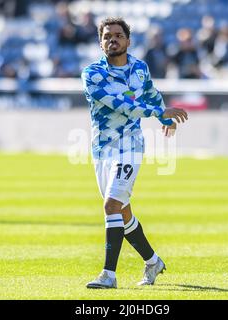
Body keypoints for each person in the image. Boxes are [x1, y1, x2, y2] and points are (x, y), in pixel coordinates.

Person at [81, 17, 188, 289]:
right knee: (122, 211)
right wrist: (159, 113)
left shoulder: (140, 69)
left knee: (111, 205)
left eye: (118, 35)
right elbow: (120, 104)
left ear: (128, 41)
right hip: (102, 149)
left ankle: (108, 275)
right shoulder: (92, 74)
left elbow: (151, 94)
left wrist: (165, 120)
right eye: (107, 36)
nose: (112, 39)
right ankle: (153, 261)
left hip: (130, 145)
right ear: (100, 42)